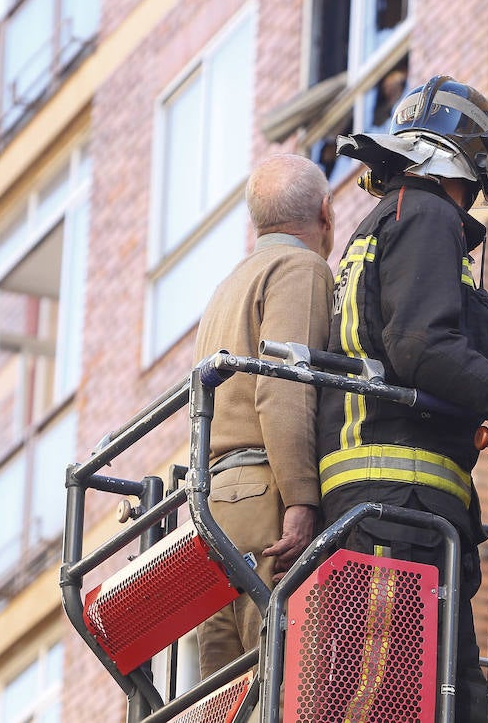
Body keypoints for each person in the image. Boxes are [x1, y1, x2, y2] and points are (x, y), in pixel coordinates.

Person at [316, 74, 488, 722]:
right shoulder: (427, 215)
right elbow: (424, 349)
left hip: (400, 508)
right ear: (467, 158)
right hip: (397, 506)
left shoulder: (391, 220)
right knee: (391, 702)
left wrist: (470, 414)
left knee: (452, 704)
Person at [193, 154, 336, 679]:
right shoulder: (300, 269)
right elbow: (283, 390)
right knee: (281, 681)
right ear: (327, 212)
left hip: (213, 510)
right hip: (265, 498)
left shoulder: (226, 287)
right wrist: (301, 497)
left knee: (226, 692)